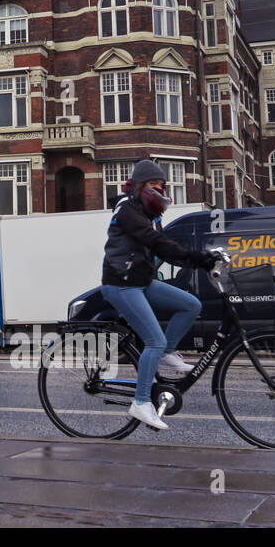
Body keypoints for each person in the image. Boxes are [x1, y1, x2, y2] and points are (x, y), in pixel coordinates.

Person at [101, 159, 218, 430]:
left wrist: (202, 260)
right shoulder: (127, 207)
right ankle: (141, 403)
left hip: (142, 281)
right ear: (141, 184)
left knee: (190, 304)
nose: (160, 189)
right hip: (121, 284)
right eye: (154, 184)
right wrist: (197, 257)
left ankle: (167, 352)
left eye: (162, 185)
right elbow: (152, 241)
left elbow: (164, 250)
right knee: (152, 341)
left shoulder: (152, 214)